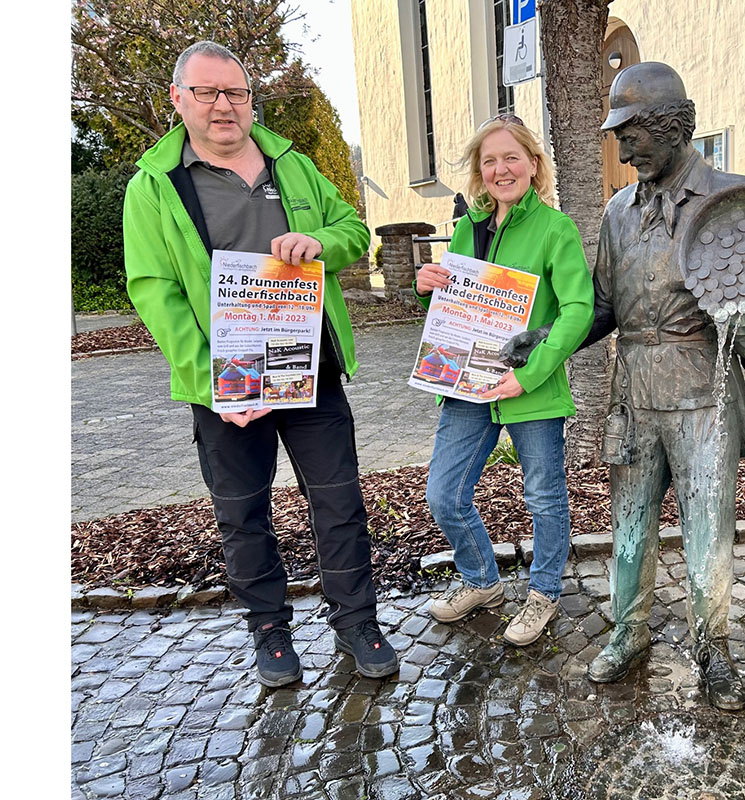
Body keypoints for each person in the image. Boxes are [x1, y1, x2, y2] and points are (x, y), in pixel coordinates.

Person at [572, 62, 745, 710]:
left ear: (673, 127)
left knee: (708, 530)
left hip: (705, 391)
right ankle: (628, 635)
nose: (621, 146)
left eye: (633, 132)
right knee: (631, 526)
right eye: (618, 133)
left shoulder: (735, 202)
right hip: (633, 391)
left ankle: (713, 652)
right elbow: (604, 306)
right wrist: (546, 342)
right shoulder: (619, 211)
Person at [123, 41, 398, 687]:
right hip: (227, 387)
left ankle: (356, 620)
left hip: (313, 371)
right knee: (243, 513)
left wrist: (321, 242)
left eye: (237, 92)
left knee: (339, 503)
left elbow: (354, 230)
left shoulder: (293, 165)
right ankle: (269, 631)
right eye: (208, 92)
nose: (225, 106)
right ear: (178, 99)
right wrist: (215, 382)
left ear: (251, 98)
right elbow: (153, 289)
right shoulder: (155, 186)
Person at [415, 115, 593, 646]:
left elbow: (579, 310)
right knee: (444, 494)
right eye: (489, 160)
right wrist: (430, 287)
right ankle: (482, 582)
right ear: (479, 172)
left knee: (543, 497)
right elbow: (459, 307)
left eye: (511, 157)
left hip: (530, 390)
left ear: (533, 165)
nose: (500, 169)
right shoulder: (468, 228)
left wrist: (530, 374)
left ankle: (543, 595)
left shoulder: (555, 229)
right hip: (468, 388)